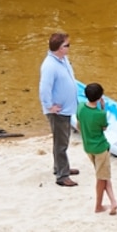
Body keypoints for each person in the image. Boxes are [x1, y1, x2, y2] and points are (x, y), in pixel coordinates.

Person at [38, 32, 79, 187]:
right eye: (67, 45)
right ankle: (62, 176)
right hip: (58, 111)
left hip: (66, 109)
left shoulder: (63, 59)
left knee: (62, 140)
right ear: (59, 48)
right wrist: (49, 106)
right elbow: (44, 88)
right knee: (61, 144)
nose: (69, 47)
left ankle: (60, 167)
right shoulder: (49, 65)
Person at [77, 82, 117, 215]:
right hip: (100, 148)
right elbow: (104, 127)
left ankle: (113, 201)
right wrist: (103, 108)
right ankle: (99, 206)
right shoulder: (100, 114)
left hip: (88, 147)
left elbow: (78, 125)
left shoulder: (81, 107)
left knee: (103, 175)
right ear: (100, 97)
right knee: (101, 178)